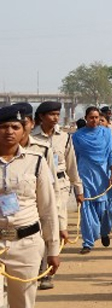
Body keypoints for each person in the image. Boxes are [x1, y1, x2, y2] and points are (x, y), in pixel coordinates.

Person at [0, 105, 61, 308]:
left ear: (23, 130)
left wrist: (53, 249)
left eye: (15, 127)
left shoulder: (36, 162)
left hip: (26, 245)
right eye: (4, 126)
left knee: (23, 303)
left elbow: (47, 208)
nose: (9, 131)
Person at [32, 101, 84, 290]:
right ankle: (38, 267)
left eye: (57, 114)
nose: (56, 118)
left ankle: (46, 272)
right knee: (37, 229)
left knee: (55, 228)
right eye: (52, 114)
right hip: (37, 188)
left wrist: (79, 189)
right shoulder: (30, 138)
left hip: (60, 188)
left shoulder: (65, 138)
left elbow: (72, 165)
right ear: (41, 117)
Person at [73, 106, 112, 255]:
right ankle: (88, 242)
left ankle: (104, 231)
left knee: (106, 209)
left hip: (104, 175)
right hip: (85, 175)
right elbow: (73, 158)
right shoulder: (77, 136)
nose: (94, 120)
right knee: (87, 209)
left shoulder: (107, 133)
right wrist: (75, 179)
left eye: (97, 118)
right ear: (86, 118)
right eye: (91, 117)